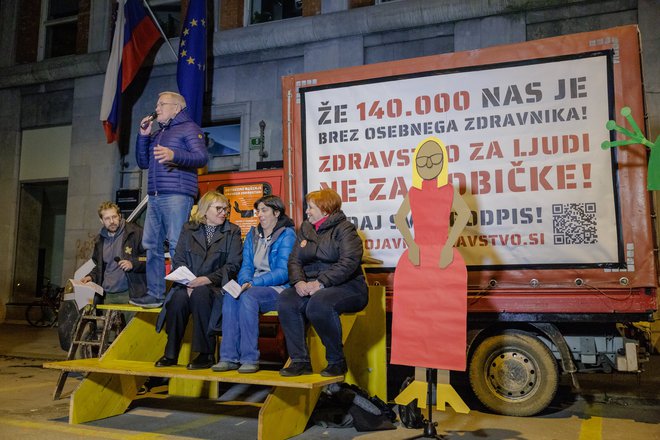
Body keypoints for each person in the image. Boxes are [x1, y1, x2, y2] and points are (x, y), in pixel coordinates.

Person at [390, 137, 470, 371]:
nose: (428, 164)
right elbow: (399, 218)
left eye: (434, 159)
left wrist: (448, 246)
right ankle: (419, 378)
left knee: (443, 320)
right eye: (423, 159)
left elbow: (463, 214)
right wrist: (412, 245)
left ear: (442, 162)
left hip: (443, 258)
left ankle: (444, 383)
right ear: (416, 163)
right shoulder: (414, 191)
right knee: (416, 319)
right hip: (418, 258)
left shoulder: (448, 190)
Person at [277, 188, 368, 377]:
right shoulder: (306, 228)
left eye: (311, 207)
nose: (307, 211)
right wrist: (299, 282)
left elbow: (349, 262)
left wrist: (320, 283)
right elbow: (294, 260)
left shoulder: (345, 229)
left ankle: (336, 361)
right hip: (310, 285)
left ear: (325, 210)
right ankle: (300, 361)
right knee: (286, 300)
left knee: (319, 304)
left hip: (347, 286)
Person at [131, 91, 208, 308]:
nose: (156, 108)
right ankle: (155, 294)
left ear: (177, 108)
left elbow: (201, 158)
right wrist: (143, 135)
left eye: (161, 104)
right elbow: (143, 162)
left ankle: (182, 294)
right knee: (151, 244)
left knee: (176, 244)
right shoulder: (158, 134)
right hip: (155, 196)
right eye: (156, 104)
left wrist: (175, 155)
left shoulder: (190, 128)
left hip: (178, 194)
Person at [154, 191, 242, 370]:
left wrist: (205, 280)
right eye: (219, 208)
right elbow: (178, 259)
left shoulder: (232, 231)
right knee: (177, 299)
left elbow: (233, 266)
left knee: (200, 295)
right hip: (188, 285)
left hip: (215, 287)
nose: (223, 212)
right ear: (205, 210)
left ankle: (205, 354)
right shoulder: (188, 229)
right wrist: (188, 282)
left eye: (226, 209)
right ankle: (170, 353)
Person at [212, 195, 296, 374]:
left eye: (264, 210)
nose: (260, 214)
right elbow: (246, 266)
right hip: (253, 284)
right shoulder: (253, 234)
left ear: (277, 212)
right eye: (258, 211)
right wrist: (243, 282)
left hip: (278, 288)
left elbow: (283, 272)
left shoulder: (287, 234)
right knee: (230, 295)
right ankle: (228, 357)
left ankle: (249, 358)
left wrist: (253, 283)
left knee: (248, 297)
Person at [81, 201, 146, 305]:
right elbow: (101, 266)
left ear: (119, 216)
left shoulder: (135, 233)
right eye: (107, 218)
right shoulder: (99, 240)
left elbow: (150, 259)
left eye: (114, 217)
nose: (112, 221)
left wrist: (133, 263)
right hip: (107, 296)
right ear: (101, 220)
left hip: (130, 295)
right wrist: (91, 277)